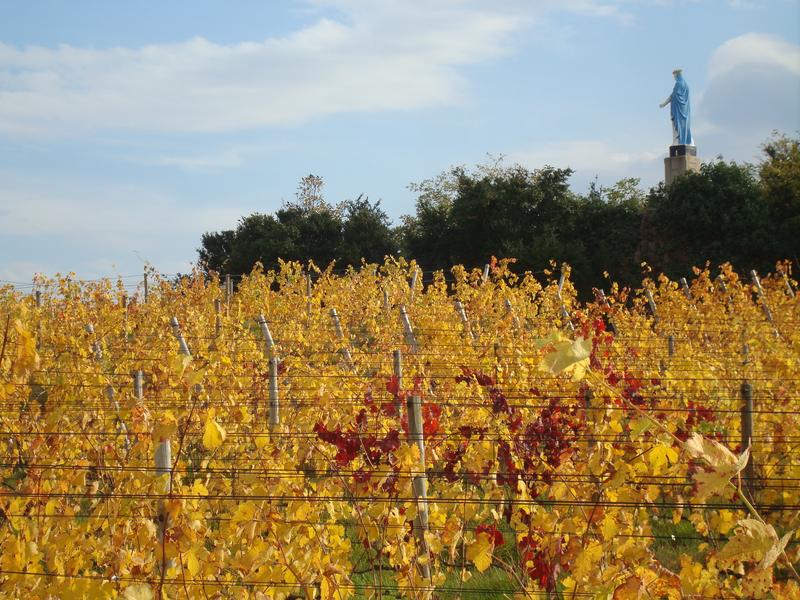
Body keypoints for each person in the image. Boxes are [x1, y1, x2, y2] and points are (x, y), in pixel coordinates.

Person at [660, 69, 693, 146]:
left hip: (678, 110)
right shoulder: (686, 85)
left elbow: (673, 96)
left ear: (677, 75)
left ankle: (678, 141)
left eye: (674, 75)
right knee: (685, 126)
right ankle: (688, 141)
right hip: (685, 110)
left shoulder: (678, 84)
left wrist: (664, 104)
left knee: (677, 126)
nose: (674, 77)